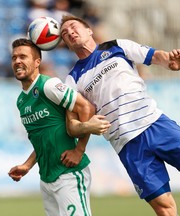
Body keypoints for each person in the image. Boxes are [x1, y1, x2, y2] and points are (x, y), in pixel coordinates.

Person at [59, 15, 180, 216]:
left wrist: (170, 61)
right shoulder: (72, 78)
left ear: (89, 30)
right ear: (67, 46)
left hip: (154, 123)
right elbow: (73, 122)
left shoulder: (116, 46)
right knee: (164, 208)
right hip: (127, 143)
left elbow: (155, 56)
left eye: (73, 27)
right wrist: (83, 139)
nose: (70, 32)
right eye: (64, 34)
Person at [8, 38, 110, 216]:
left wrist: (79, 150)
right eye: (14, 57)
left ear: (37, 62)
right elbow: (44, 138)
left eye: (23, 56)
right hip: (47, 179)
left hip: (68, 174)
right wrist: (27, 165)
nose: (17, 61)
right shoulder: (21, 100)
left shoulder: (48, 85)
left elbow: (86, 107)